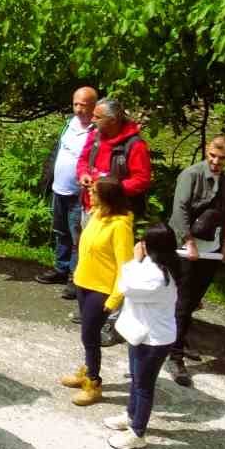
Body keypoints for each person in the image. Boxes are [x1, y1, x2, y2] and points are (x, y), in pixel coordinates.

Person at [76, 97, 153, 343]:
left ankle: (111, 319)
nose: (92, 120)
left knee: (118, 266)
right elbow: (82, 161)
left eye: (98, 117)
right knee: (90, 258)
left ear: (114, 119)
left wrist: (111, 189)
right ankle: (91, 310)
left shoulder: (135, 145)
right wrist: (85, 175)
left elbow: (142, 180)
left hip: (118, 213)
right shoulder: (95, 135)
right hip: (92, 209)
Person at [166, 135, 225, 386]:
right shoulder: (191, 175)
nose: (216, 162)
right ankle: (174, 356)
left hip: (212, 248)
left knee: (195, 299)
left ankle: (179, 337)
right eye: (212, 156)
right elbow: (180, 209)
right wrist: (188, 241)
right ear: (207, 152)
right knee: (183, 300)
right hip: (188, 247)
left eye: (222, 158)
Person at [105, 225, 182, 449]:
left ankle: (138, 433)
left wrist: (132, 260)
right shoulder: (159, 264)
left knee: (143, 386)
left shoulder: (158, 277)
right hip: (140, 333)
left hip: (154, 340)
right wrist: (139, 261)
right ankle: (130, 415)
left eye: (144, 242)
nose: (140, 245)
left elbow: (125, 286)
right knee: (137, 379)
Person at [61, 177, 134, 407]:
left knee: (90, 337)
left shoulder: (120, 226)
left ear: (107, 198)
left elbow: (126, 266)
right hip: (84, 283)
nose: (90, 194)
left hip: (101, 290)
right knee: (87, 333)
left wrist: (115, 298)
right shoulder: (96, 214)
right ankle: (87, 370)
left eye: (94, 192)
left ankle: (94, 383)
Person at [36, 85, 99, 302]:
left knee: (77, 237)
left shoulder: (96, 131)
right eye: (76, 104)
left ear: (94, 106)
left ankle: (75, 277)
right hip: (59, 188)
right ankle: (61, 268)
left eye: (84, 105)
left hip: (78, 193)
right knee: (60, 231)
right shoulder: (68, 125)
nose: (79, 109)